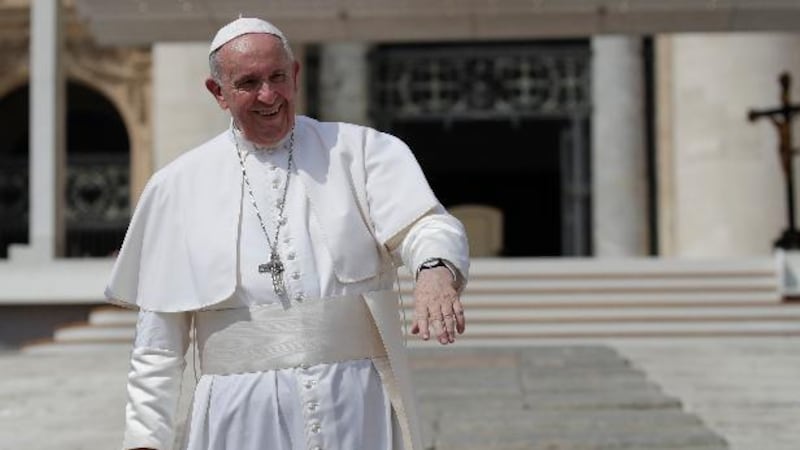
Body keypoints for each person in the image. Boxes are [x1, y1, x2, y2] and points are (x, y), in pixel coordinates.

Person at [105, 16, 469, 450]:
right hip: (236, 418)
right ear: (217, 93)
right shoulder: (177, 186)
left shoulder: (362, 152)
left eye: (278, 77)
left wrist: (433, 268)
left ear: (295, 74)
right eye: (248, 83)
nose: (268, 95)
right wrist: (146, 439)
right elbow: (158, 344)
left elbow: (426, 224)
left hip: (354, 406)